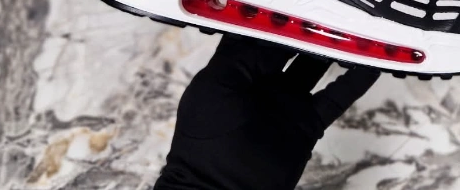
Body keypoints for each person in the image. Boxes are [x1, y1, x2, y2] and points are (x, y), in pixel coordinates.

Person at [153, 36, 380, 189]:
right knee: (271, 13)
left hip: (266, 177)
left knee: (366, 56)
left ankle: (381, 46)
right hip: (207, 139)